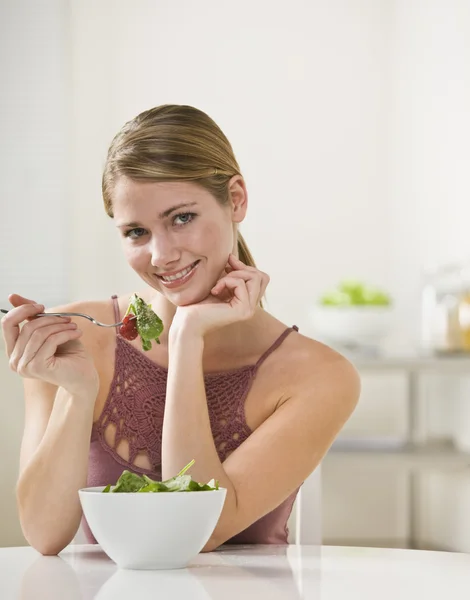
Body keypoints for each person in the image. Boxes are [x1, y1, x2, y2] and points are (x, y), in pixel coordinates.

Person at [2, 104, 360, 555]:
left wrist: (186, 339)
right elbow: (44, 535)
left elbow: (199, 531)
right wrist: (75, 392)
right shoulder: (76, 341)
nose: (160, 255)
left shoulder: (318, 376)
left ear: (236, 199)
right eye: (136, 232)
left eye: (182, 218)